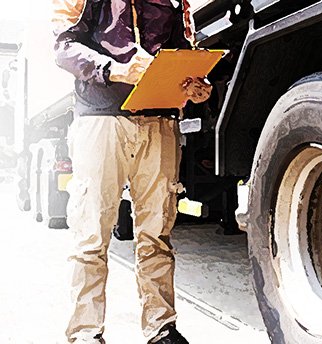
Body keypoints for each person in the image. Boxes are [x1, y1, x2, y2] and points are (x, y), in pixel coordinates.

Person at [52, 0, 211, 343]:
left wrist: (195, 85)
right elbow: (63, 46)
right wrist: (114, 69)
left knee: (157, 234)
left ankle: (160, 326)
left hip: (160, 121)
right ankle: (85, 332)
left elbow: (182, 52)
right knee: (92, 234)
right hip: (101, 119)